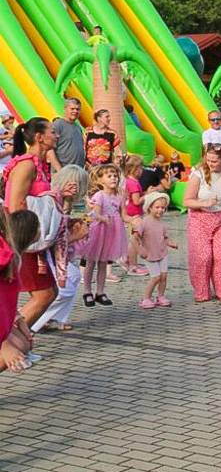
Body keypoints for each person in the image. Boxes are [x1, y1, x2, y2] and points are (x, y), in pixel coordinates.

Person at [4, 118, 76, 329]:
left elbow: (39, 199)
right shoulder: (26, 165)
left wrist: (60, 196)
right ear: (39, 138)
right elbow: (15, 204)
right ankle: (11, 343)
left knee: (47, 293)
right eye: (53, 132)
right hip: (22, 238)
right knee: (45, 294)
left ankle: (17, 342)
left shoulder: (39, 164)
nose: (57, 135)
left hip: (31, 238)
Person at [183, 143, 221, 302]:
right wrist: (204, 203)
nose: (210, 164)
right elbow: (187, 201)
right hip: (199, 218)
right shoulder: (198, 174)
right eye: (208, 160)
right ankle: (202, 292)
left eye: (214, 161)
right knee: (204, 257)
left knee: (220, 257)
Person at [79, 164, 127, 307]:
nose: (114, 178)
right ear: (100, 181)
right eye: (109, 176)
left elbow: (123, 214)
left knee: (103, 263)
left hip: (112, 232)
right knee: (91, 262)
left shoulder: (120, 195)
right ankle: (87, 291)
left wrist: (135, 220)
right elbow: (95, 214)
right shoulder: (99, 195)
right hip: (99, 231)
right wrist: (103, 218)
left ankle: (100, 292)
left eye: (115, 175)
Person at [0, 209, 40, 373]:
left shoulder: (9, 254)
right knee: (14, 349)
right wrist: (4, 345)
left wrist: (18, 318)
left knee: (22, 345)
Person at [134, 192, 177, 309]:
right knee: (155, 277)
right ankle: (146, 298)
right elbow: (135, 236)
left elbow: (165, 237)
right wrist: (140, 249)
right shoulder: (144, 222)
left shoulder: (162, 223)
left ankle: (160, 296)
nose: (160, 210)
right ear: (149, 207)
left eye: (163, 208)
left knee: (164, 276)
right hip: (150, 254)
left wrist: (171, 243)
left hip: (162, 253)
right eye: (157, 207)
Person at [46, 99, 85, 170]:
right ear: (65, 109)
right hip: (63, 172)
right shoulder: (58, 125)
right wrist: (60, 170)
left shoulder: (78, 127)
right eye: (72, 109)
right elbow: (49, 149)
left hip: (77, 171)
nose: (75, 111)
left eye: (77, 109)